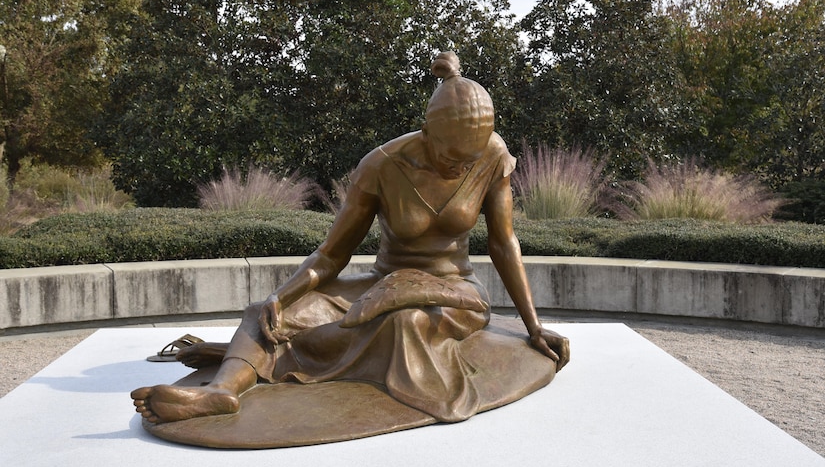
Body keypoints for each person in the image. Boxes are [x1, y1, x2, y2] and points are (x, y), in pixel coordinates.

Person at [132, 51, 570, 424]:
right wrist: (283, 296)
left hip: (452, 291)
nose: (461, 167)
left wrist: (533, 326)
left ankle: (257, 357)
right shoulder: (380, 166)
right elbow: (331, 255)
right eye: (452, 157)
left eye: (471, 158)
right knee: (265, 313)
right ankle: (223, 391)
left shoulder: (492, 154)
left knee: (404, 322)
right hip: (383, 284)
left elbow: (502, 242)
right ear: (427, 132)